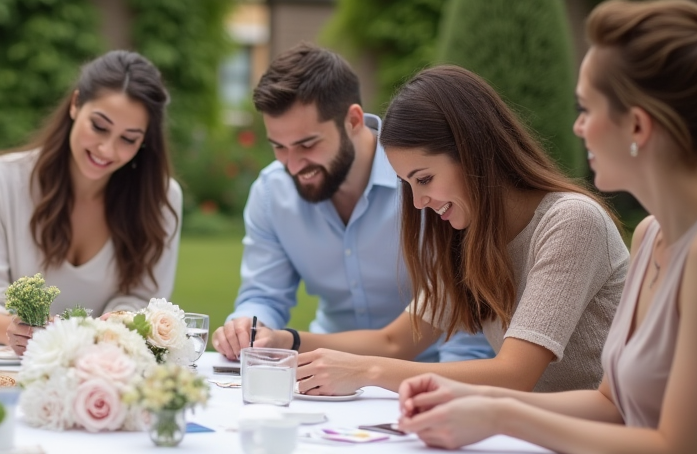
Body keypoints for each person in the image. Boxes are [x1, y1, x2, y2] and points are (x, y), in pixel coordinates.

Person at [395, 0, 697, 454]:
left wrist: (501, 413)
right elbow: (612, 405)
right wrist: (473, 399)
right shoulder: (650, 237)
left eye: (587, 109)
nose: (577, 127)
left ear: (638, 127)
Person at [245, 65, 629, 395]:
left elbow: (513, 375)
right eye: (407, 184)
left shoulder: (570, 222)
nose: (417, 203)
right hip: (533, 437)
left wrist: (366, 372)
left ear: (474, 151)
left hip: (601, 452)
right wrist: (286, 341)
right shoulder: (472, 238)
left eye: (424, 178)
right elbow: (395, 341)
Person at [212, 44, 494, 364]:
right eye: (279, 146)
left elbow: (466, 329)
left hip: (428, 372)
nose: (292, 165)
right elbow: (264, 293)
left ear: (354, 120)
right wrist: (249, 327)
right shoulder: (270, 191)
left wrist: (443, 392)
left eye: (307, 144)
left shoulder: (429, 182)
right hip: (324, 368)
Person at [0, 50, 182, 352]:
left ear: (144, 141)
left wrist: (103, 331)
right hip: (15, 373)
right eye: (99, 126)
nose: (106, 149)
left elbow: (143, 305)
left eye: (128, 139)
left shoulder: (161, 199)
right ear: (75, 104)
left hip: (108, 370)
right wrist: (19, 331)